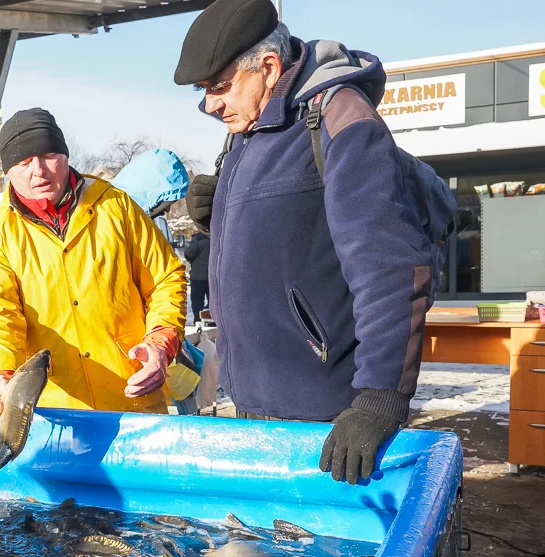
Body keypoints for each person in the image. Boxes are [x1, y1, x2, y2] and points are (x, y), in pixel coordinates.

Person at [175, 0, 436, 484]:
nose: (209, 104)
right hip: (256, 406)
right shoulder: (245, 131)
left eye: (219, 86)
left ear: (269, 68)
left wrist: (379, 400)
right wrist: (221, 219)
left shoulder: (337, 117)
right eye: (203, 90)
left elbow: (393, 269)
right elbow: (294, 241)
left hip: (327, 419)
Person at [0, 108, 187, 417]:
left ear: (66, 156)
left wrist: (160, 344)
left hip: (133, 398)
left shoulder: (116, 206)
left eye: (48, 155)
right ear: (8, 171)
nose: (38, 171)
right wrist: (0, 373)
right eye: (23, 162)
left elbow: (165, 277)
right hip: (55, 411)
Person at [184, 232, 210, 324]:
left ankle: (198, 319)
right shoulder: (219, 234)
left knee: (197, 300)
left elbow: (189, 254)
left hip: (198, 276)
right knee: (213, 301)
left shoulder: (198, 238)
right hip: (213, 277)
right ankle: (213, 320)